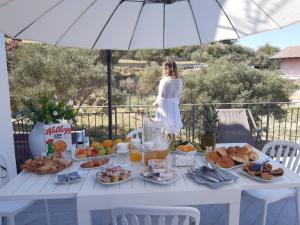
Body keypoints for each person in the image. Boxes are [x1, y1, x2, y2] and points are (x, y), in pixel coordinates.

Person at [153, 57, 183, 140]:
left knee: (163, 131)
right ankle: (171, 148)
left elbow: (162, 96)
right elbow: (178, 95)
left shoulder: (164, 81)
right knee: (172, 130)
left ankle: (164, 150)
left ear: (166, 69)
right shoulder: (179, 81)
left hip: (165, 107)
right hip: (174, 107)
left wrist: (156, 102)